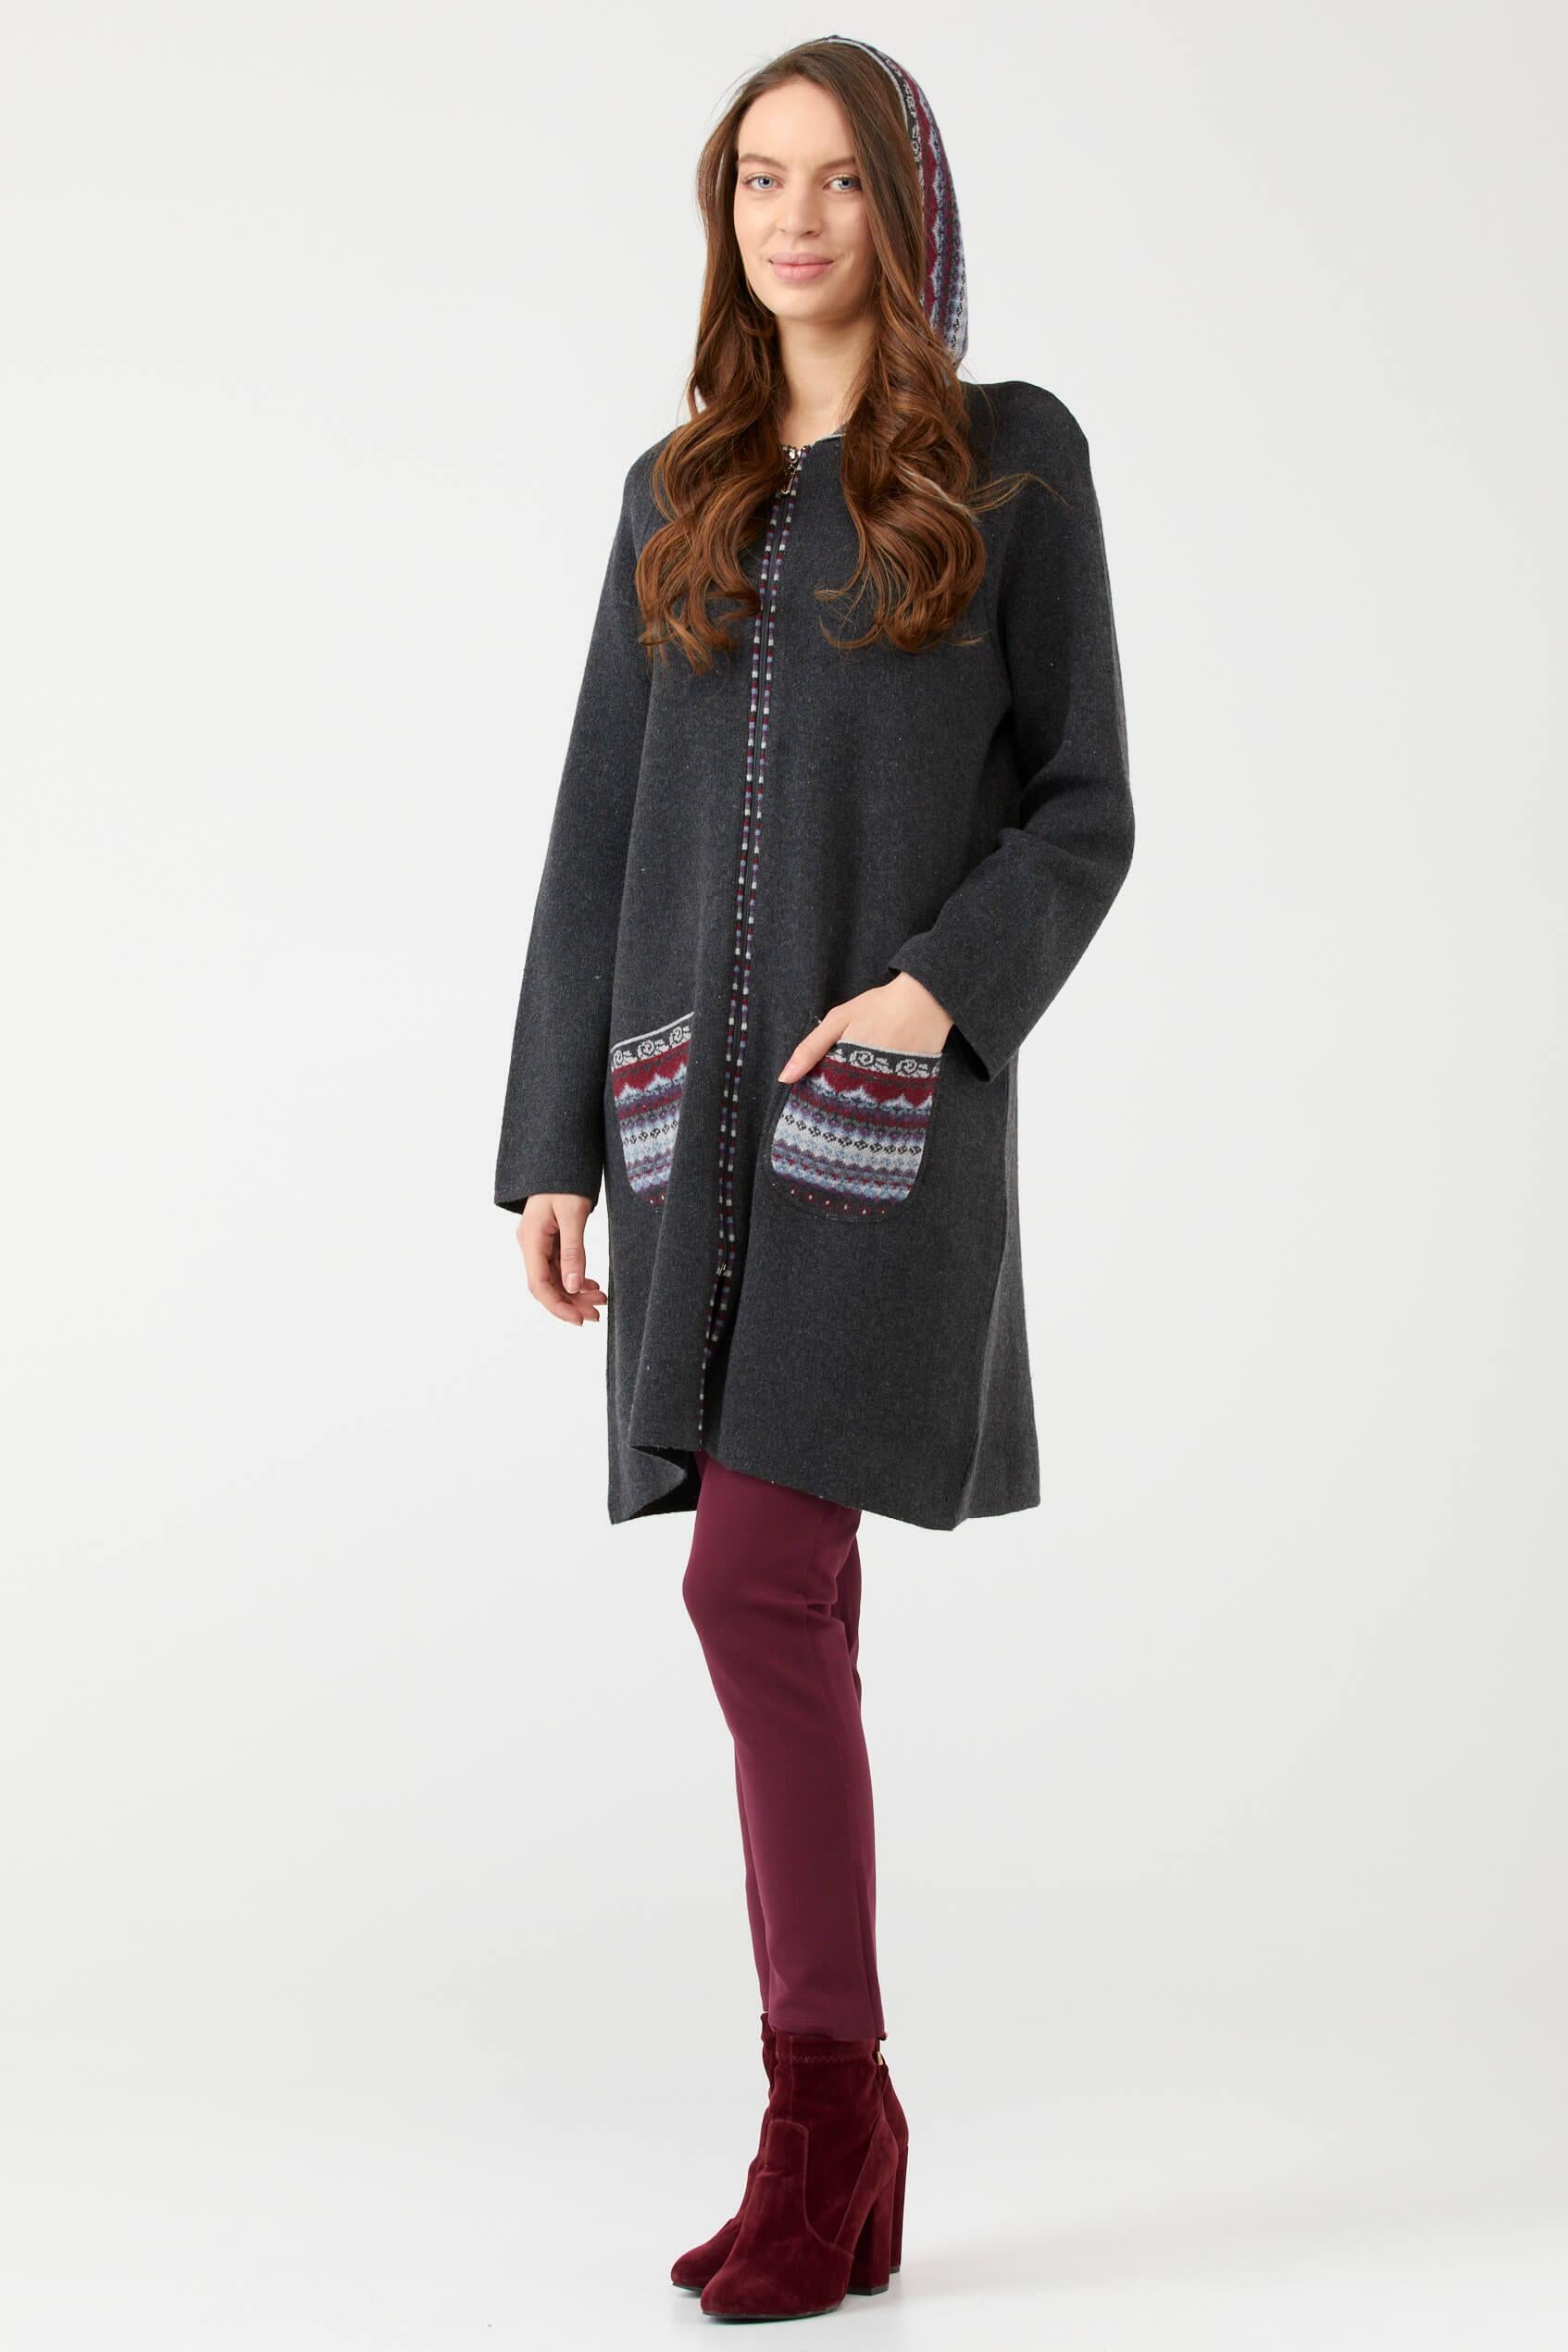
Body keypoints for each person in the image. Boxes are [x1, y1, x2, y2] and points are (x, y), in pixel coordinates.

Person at [492, 34, 1134, 2321]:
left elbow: (1083, 807)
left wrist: (935, 994)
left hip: (879, 1128)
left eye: (838, 179)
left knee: (752, 1581)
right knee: (792, 1598)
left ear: (907, 210)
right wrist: (548, 1142)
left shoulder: (1013, 464)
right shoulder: (673, 487)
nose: (793, 218)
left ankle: (820, 2109)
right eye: (758, 179)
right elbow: (597, 830)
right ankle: (842, 2139)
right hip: (686, 1122)